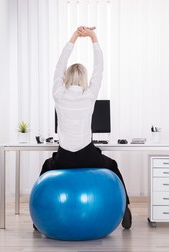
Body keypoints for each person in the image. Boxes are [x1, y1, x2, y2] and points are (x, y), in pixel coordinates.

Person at [39, 26, 132, 229]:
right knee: (113, 165)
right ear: (83, 79)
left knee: (46, 167)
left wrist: (73, 37)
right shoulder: (89, 96)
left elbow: (59, 66)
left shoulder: (58, 94)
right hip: (87, 156)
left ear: (65, 79)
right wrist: (93, 38)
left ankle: (38, 221)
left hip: (64, 158)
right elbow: (99, 68)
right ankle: (125, 209)